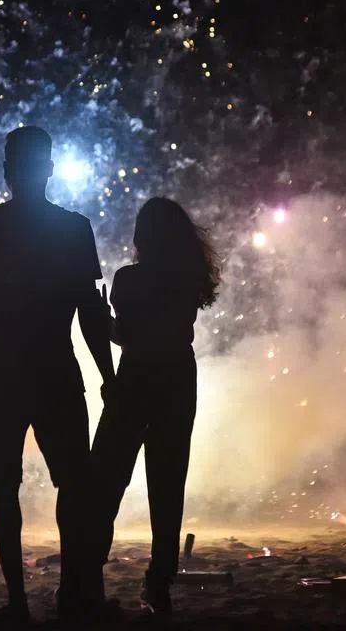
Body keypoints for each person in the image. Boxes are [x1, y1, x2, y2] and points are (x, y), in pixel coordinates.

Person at [0, 126, 116, 626]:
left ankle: (19, 603)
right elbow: (89, 311)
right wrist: (108, 374)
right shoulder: (73, 228)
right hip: (54, 367)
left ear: (7, 170)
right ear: (49, 169)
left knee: (5, 487)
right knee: (74, 484)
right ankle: (71, 593)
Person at [89, 197, 221, 614]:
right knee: (168, 484)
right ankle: (160, 582)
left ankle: (89, 574)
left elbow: (126, 335)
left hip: (136, 379)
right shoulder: (188, 278)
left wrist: (103, 320)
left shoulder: (128, 279)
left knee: (105, 481)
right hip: (178, 379)